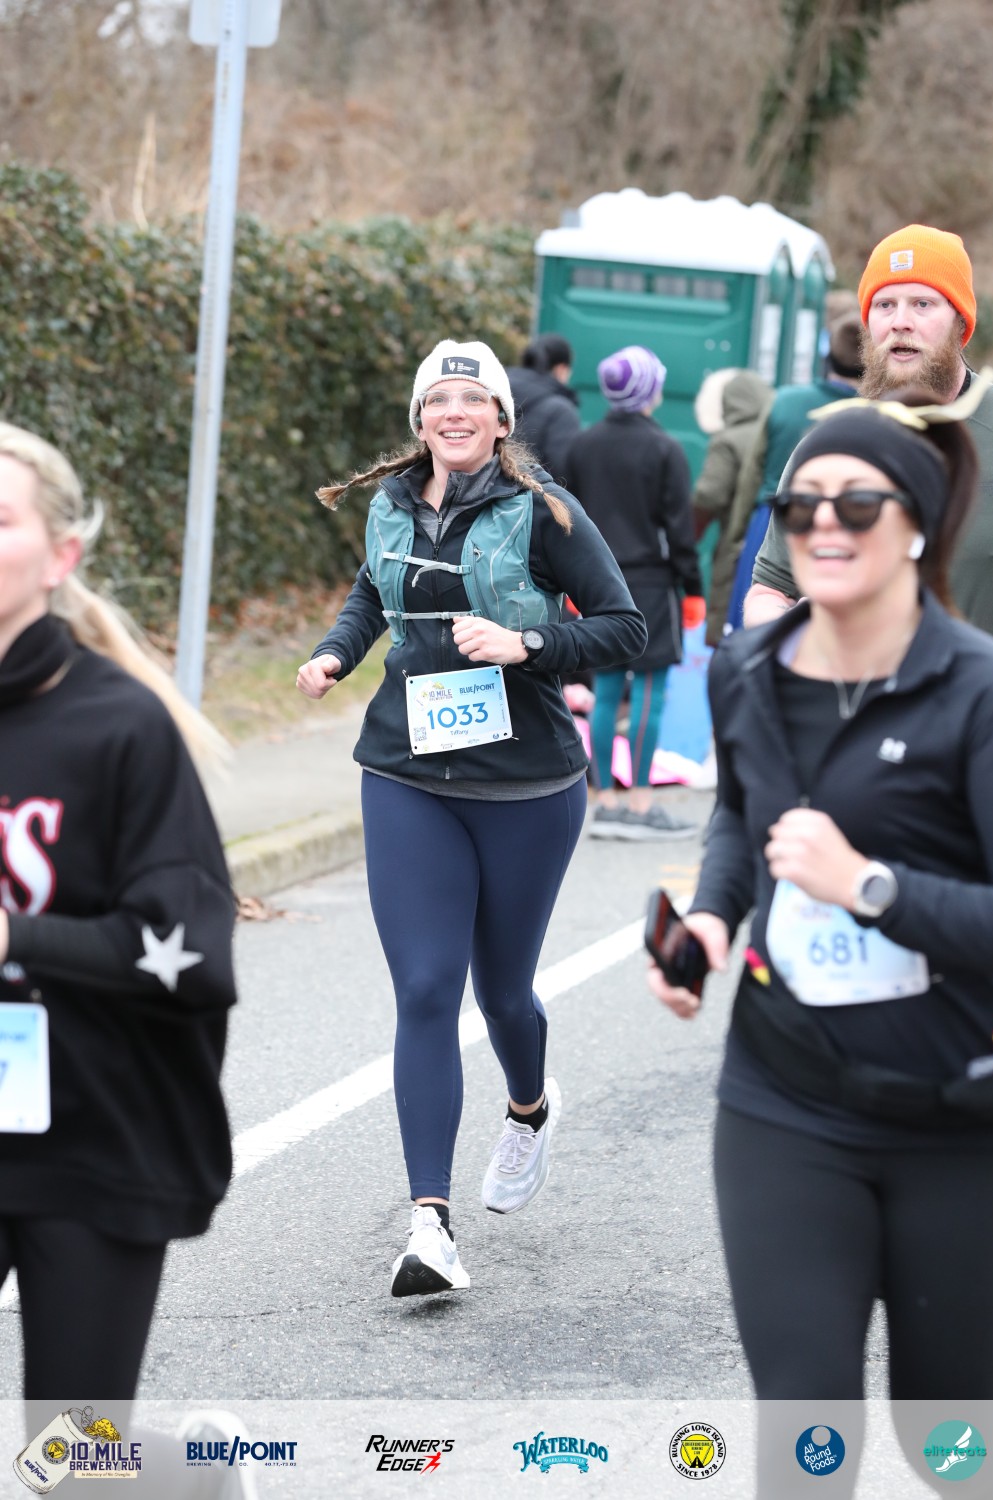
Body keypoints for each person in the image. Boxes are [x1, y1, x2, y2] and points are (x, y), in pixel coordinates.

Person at [648, 382, 993, 1498]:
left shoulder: (978, 691)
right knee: (807, 1434)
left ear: (917, 525)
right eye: (803, 507)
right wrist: (711, 919)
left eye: (857, 504)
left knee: (954, 1448)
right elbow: (741, 820)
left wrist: (870, 887)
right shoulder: (746, 669)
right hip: (784, 1100)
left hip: (959, 1117)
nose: (825, 526)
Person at [296, 339, 645, 1298]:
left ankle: (529, 1108)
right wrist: (335, 656)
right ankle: (430, 1225)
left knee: (503, 994)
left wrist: (526, 641)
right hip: (406, 771)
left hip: (526, 786)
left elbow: (624, 627)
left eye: (472, 399)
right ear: (420, 421)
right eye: (438, 400)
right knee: (424, 989)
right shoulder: (391, 504)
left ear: (500, 420)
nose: (454, 413)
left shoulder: (547, 510)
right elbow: (371, 592)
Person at [0, 424, 236, 1402]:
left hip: (95, 1136)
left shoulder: (119, 726)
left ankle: (194, 1472)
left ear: (61, 556)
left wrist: (16, 937)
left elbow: (187, 952)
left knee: (72, 1460)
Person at [745, 223, 993, 636]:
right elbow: (769, 591)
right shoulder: (827, 445)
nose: (900, 322)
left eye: (922, 303)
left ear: (961, 321)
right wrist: (792, 628)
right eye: (884, 305)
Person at [563, 346, 703, 840]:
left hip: (594, 581)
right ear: (648, 390)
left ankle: (604, 801)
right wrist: (693, 588)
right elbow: (679, 531)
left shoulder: (582, 445)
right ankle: (641, 803)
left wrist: (570, 582)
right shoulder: (665, 449)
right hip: (650, 584)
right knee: (649, 691)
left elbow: (568, 519)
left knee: (605, 689)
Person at [719, 312, 864, 640]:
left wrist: (736, 537)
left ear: (828, 357)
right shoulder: (879, 410)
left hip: (771, 522)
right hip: (849, 528)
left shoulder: (784, 401)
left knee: (753, 630)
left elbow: (751, 475)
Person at [690, 367, 773, 646]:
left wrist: (689, 533)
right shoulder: (775, 431)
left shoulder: (729, 440)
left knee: (730, 618)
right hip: (774, 539)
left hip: (737, 543)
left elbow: (709, 495)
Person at [506, 332, 581, 485]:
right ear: (561, 369)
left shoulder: (495, 394)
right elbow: (564, 477)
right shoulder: (561, 412)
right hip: (537, 497)